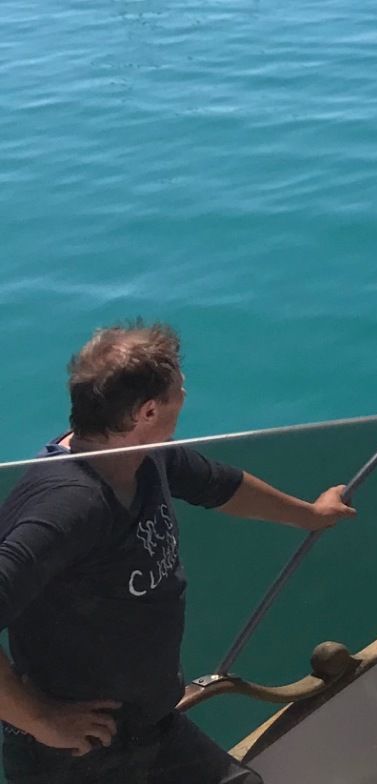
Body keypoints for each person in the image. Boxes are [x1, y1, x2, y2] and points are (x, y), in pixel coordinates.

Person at [0, 324, 355, 783]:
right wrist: (39, 719)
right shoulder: (69, 505)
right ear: (147, 411)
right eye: (178, 390)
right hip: (75, 755)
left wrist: (311, 515)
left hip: (150, 727)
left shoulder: (143, 456)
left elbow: (220, 486)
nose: (185, 393)